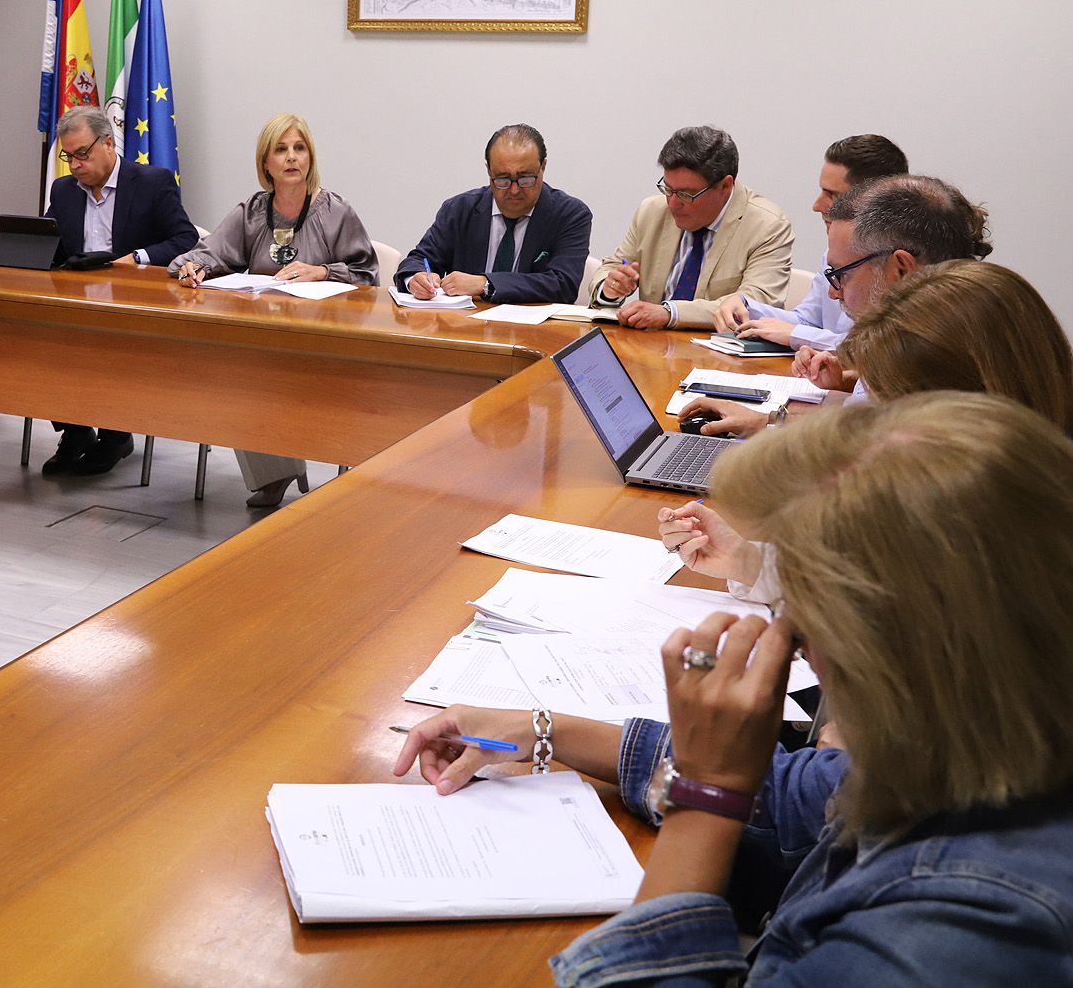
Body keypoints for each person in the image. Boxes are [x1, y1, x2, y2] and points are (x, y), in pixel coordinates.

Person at [400, 393, 1073, 984]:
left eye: (802, 611)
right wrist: (548, 730)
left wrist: (706, 799)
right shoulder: (989, 750)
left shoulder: (969, 930)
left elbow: (748, 795)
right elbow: (798, 794)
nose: (794, 637)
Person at [661, 259, 1070, 586]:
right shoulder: (993, 481)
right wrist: (747, 561)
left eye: (887, 404)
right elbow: (872, 585)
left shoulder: (1008, 534)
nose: (877, 426)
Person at [681, 173, 992, 435]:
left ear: (901, 269)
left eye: (841, 275)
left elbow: (856, 461)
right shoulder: (957, 320)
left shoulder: (927, 356)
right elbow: (866, 430)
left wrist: (771, 424)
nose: (833, 293)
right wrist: (848, 382)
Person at [173, 113, 378, 507]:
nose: (291, 158)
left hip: (327, 343)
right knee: (234, 372)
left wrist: (321, 271)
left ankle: (302, 470)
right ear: (265, 162)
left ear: (311, 157)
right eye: (280, 149)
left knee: (266, 378)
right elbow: (211, 252)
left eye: (299, 148)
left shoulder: (336, 211)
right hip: (265, 338)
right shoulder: (252, 211)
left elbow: (367, 274)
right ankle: (275, 471)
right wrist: (194, 268)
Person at [43, 105, 198, 477]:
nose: (76, 165)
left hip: (134, 310)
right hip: (78, 305)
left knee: (107, 345)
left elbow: (185, 239)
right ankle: (77, 432)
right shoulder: (64, 191)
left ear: (109, 143)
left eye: (83, 154)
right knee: (42, 339)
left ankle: (116, 434)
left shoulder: (152, 182)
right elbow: (50, 243)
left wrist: (138, 258)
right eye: (69, 157)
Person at [713, 134, 908, 349]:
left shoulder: (906, 264)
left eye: (833, 196)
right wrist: (745, 305)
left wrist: (798, 335)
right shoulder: (836, 253)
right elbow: (808, 320)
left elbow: (880, 348)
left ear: (875, 200)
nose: (817, 205)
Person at [589, 126, 792, 330]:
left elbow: (753, 304)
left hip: (721, 356)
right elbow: (612, 266)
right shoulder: (651, 211)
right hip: (652, 347)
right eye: (668, 189)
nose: (673, 203)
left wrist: (670, 313)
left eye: (687, 194)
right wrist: (610, 288)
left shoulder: (767, 226)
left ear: (725, 186)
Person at [394, 124, 592, 303]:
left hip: (535, 334)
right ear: (489, 171)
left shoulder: (570, 215)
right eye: (503, 179)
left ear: (543, 167)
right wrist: (415, 278)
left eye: (525, 179)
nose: (514, 190)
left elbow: (563, 284)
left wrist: (485, 284)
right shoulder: (460, 209)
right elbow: (420, 258)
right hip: (465, 330)